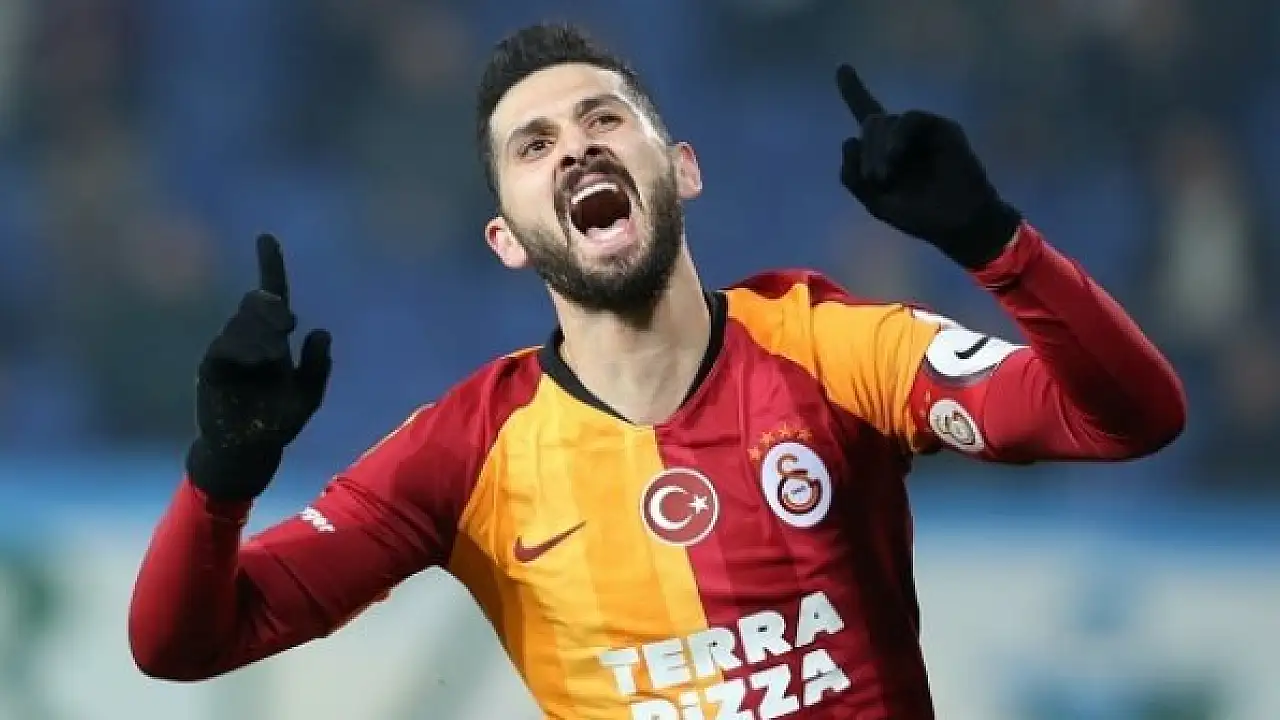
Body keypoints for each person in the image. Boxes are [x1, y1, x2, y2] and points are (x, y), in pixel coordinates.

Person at [128, 23, 1186, 720]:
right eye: (534, 146)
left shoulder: (828, 345)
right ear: (506, 238)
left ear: (680, 168)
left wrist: (994, 243)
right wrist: (223, 474)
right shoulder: (465, 454)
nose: (576, 149)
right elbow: (181, 644)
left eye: (603, 119)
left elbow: (1129, 419)